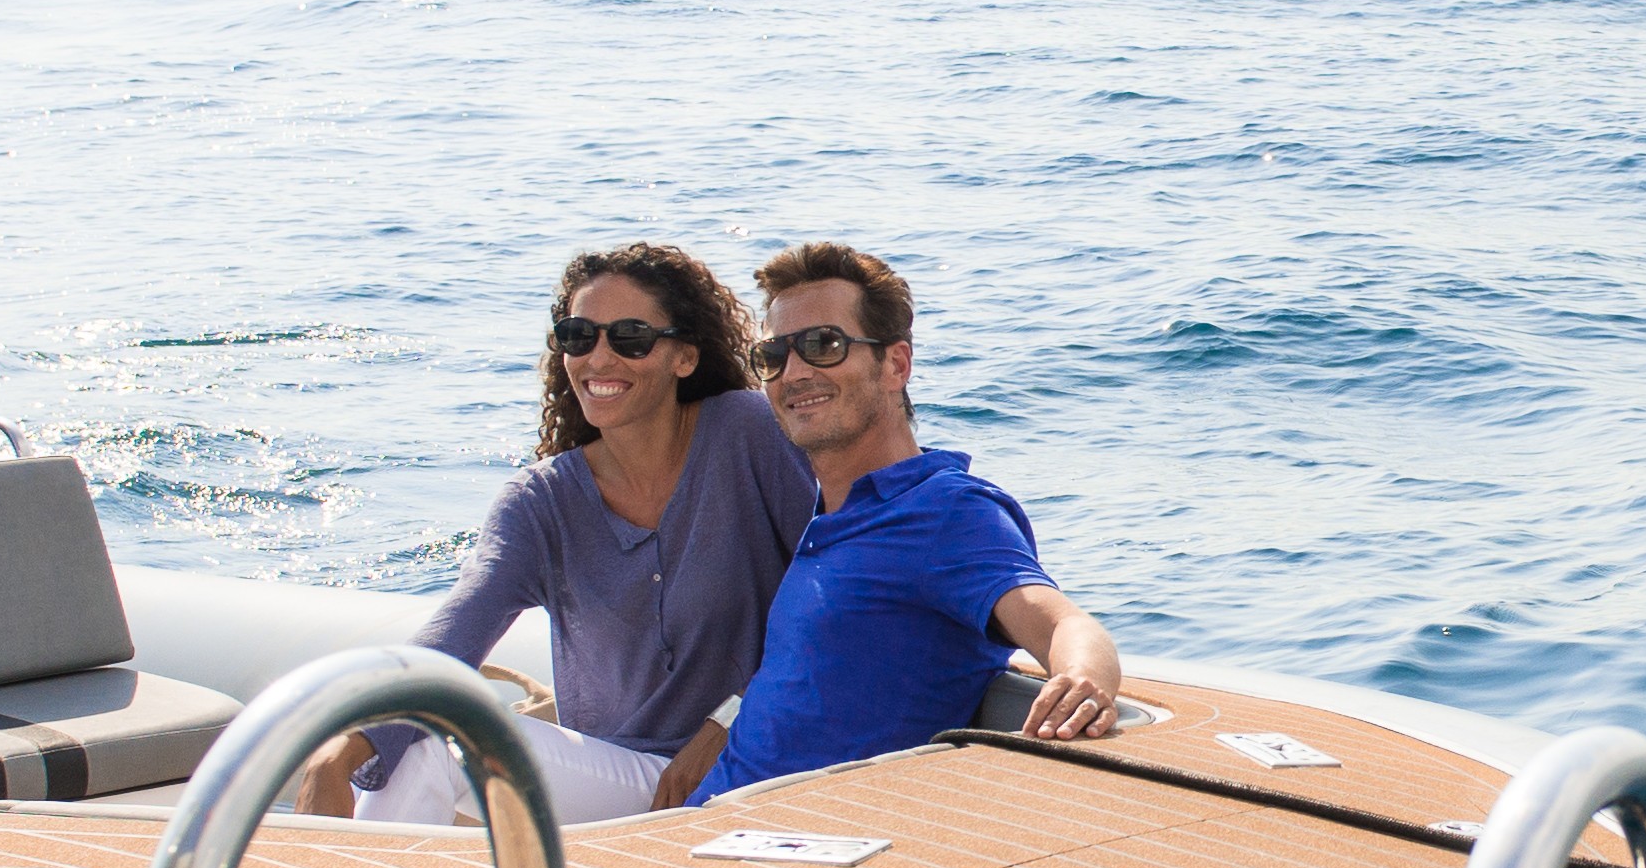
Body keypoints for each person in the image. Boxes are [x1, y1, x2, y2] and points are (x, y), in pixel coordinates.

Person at [303, 243, 812, 829]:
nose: (599, 358)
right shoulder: (541, 503)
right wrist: (338, 752)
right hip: (625, 784)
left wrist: (729, 722)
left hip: (763, 760)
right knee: (424, 742)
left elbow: (829, 601)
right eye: (578, 336)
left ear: (685, 357)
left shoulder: (747, 434)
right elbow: (455, 637)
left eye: (630, 337)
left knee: (438, 751)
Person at [671, 241, 1123, 805]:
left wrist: (1082, 680)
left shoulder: (944, 511)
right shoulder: (833, 514)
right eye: (773, 355)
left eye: (823, 345)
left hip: (782, 840)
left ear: (896, 365)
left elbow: (1060, 623)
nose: (795, 372)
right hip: (701, 824)